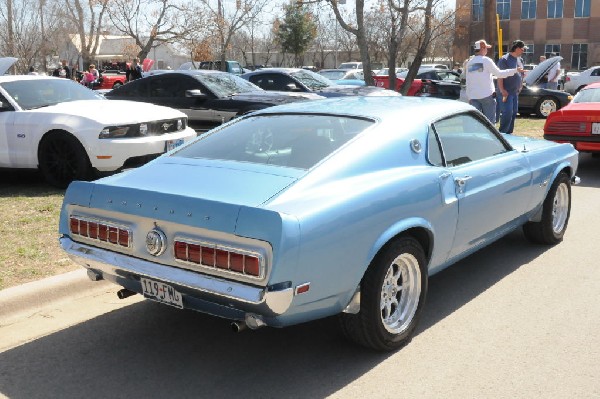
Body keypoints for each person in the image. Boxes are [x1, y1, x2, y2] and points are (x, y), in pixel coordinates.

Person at [465, 39, 522, 125]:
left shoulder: (470, 62)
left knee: (475, 123)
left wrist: (469, 96)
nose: (487, 50)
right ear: (482, 48)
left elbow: (469, 80)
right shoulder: (486, 60)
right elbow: (499, 73)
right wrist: (515, 70)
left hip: (474, 96)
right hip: (487, 95)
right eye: (486, 48)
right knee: (490, 123)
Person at [497, 40, 528, 134]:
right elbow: (500, 75)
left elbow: (520, 73)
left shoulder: (520, 60)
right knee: (507, 112)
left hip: (515, 92)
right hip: (506, 92)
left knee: (514, 112)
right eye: (523, 49)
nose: (523, 51)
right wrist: (502, 90)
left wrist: (521, 84)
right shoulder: (504, 59)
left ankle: (509, 134)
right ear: (517, 48)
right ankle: (502, 134)